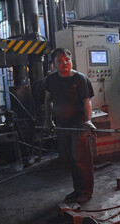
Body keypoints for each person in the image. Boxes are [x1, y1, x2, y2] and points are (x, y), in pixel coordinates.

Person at [44, 48, 96, 203]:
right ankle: (78, 189)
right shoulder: (51, 79)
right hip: (62, 125)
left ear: (71, 60)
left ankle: (86, 191)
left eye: (66, 59)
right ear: (53, 64)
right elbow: (48, 100)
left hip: (78, 125)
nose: (64, 63)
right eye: (59, 61)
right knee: (71, 159)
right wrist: (47, 120)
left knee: (81, 158)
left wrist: (88, 120)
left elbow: (87, 101)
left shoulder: (79, 79)